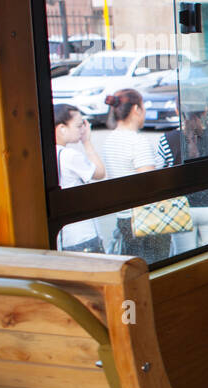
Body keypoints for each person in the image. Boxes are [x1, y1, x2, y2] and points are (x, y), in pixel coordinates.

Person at [101, 88, 170, 262]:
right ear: (136, 109)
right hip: (145, 218)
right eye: (143, 107)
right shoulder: (137, 141)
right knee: (156, 269)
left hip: (124, 216)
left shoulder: (110, 140)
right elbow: (148, 183)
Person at [157, 107, 208, 250]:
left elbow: (160, 172)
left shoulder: (167, 140)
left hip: (180, 208)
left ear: (177, 111)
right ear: (205, 111)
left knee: (183, 259)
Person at [54, 103, 107, 252]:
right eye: (78, 126)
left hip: (64, 237)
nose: (83, 129)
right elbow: (99, 172)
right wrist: (87, 142)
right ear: (62, 128)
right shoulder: (69, 155)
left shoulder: (47, 154)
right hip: (83, 235)